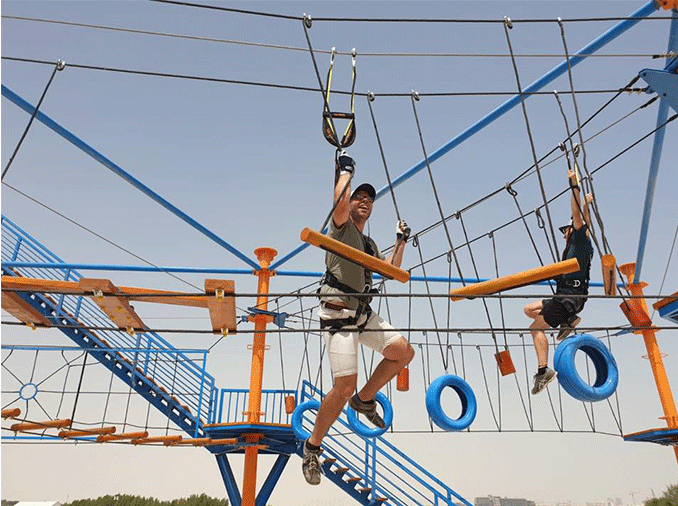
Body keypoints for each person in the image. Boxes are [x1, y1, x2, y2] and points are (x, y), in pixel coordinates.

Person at [302, 150, 415, 485]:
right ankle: (313, 447)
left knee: (403, 352)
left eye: (369, 199)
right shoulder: (340, 229)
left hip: (362, 314)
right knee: (342, 385)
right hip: (338, 314)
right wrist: (344, 173)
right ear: (349, 204)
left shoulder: (367, 243)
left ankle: (364, 399)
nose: (364, 201)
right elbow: (338, 204)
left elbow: (391, 272)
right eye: (359, 197)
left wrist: (400, 241)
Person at [524, 169, 594, 395]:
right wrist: (585, 206)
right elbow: (584, 218)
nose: (564, 233)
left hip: (569, 298)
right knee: (529, 309)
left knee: (535, 329)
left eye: (566, 230)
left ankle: (543, 370)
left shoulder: (580, 243)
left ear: (572, 230)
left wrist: (574, 184)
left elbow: (579, 219)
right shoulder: (577, 247)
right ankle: (567, 321)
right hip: (563, 298)